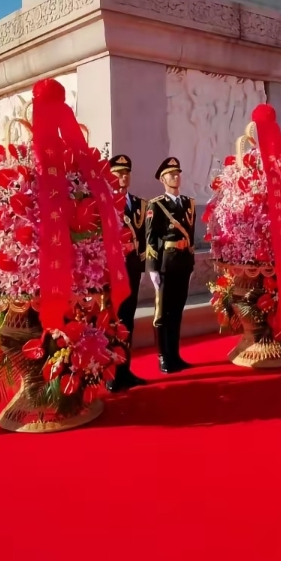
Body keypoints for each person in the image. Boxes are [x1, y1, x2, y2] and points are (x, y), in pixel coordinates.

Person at [145, 157, 196, 373]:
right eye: (171, 174)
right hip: (166, 264)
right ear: (163, 179)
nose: (175, 176)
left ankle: (175, 354)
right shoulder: (156, 205)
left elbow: (191, 234)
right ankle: (163, 356)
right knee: (162, 313)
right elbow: (150, 238)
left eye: (177, 173)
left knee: (177, 312)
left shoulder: (188, 203)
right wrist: (153, 268)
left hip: (183, 263)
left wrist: (190, 262)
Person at [107, 154, 147, 391]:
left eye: (126, 172)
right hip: (112, 273)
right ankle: (110, 374)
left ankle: (124, 371)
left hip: (132, 270)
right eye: (118, 172)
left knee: (127, 322)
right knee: (112, 322)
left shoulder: (139, 204)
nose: (123, 177)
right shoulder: (101, 202)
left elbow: (144, 237)